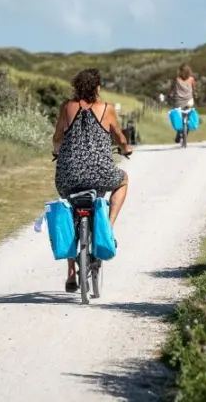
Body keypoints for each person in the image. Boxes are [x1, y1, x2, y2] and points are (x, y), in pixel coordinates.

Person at [52, 68, 132, 293]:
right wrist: (125, 148)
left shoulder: (67, 107)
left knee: (69, 211)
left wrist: (57, 150)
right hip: (100, 174)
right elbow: (119, 136)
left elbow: (58, 136)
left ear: (76, 86)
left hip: (69, 175)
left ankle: (70, 272)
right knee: (124, 180)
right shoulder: (107, 109)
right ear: (97, 87)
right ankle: (108, 228)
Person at [167, 64, 197, 144]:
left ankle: (179, 133)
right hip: (189, 101)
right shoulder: (191, 79)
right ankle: (186, 131)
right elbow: (194, 89)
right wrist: (194, 95)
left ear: (180, 71)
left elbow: (171, 89)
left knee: (178, 117)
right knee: (188, 116)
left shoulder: (176, 79)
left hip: (178, 102)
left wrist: (169, 94)